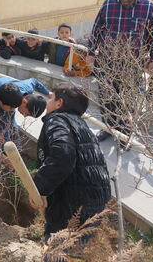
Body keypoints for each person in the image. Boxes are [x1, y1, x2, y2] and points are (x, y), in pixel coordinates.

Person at [29, 83, 111, 241]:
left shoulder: (57, 120)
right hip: (97, 204)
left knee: (58, 251)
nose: (47, 102)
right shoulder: (82, 126)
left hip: (72, 206)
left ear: (59, 103)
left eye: (50, 98)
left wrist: (41, 188)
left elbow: (63, 154)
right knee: (77, 251)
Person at [87, 0, 153, 142]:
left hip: (132, 64)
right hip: (107, 62)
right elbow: (96, 30)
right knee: (106, 98)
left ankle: (125, 134)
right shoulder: (108, 5)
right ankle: (108, 128)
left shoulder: (149, 7)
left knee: (127, 100)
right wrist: (91, 53)